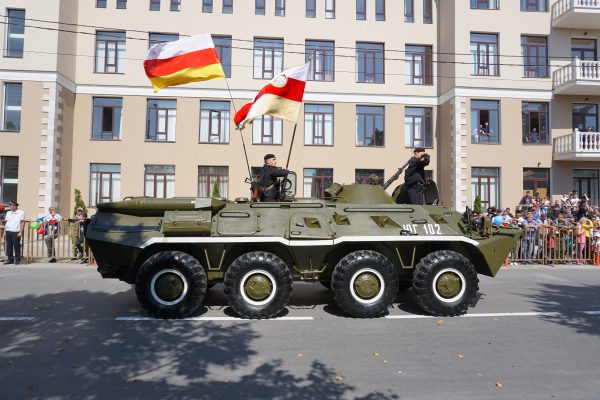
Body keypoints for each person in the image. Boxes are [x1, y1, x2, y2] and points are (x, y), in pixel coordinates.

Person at [2, 200, 26, 265]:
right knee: (9, 246)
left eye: (11, 205)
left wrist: (21, 232)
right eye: (9, 205)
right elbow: (7, 222)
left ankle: (17, 259)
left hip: (16, 231)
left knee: (16, 246)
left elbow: (22, 223)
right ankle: (10, 259)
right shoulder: (8, 213)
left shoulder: (21, 212)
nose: (9, 206)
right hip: (8, 231)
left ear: (15, 206)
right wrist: (4, 231)